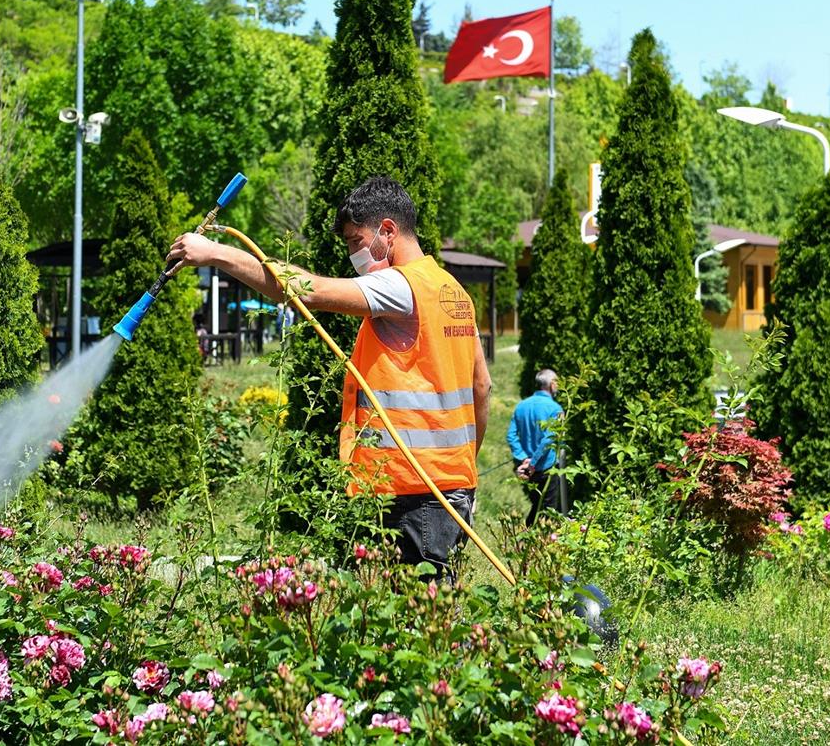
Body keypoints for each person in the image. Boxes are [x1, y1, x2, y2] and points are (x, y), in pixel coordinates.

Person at [168, 176, 491, 581]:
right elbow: (483, 387)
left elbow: (308, 292)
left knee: (415, 629)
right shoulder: (452, 291)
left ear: (387, 232)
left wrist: (216, 254)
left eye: (356, 242)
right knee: (439, 621)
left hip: (415, 495)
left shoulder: (400, 285)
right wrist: (463, 469)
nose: (354, 255)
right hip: (452, 488)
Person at [507, 369, 565, 525]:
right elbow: (549, 439)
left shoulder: (521, 406)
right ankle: (535, 544)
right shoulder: (555, 409)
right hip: (547, 468)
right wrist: (533, 462)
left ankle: (527, 541)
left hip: (526, 470)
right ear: (552, 385)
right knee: (547, 513)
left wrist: (524, 458)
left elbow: (511, 436)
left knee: (536, 505)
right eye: (557, 382)